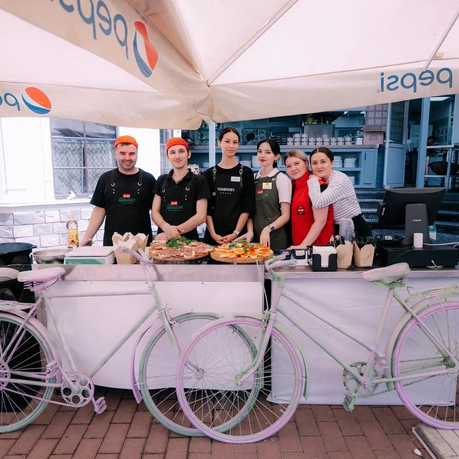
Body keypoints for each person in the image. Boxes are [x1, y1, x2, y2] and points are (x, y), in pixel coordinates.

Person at [81, 135, 156, 246]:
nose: (127, 158)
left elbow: (157, 211)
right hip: (112, 245)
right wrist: (87, 237)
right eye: (122, 153)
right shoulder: (105, 179)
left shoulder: (148, 179)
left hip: (142, 245)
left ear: (137, 154)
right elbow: (99, 211)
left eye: (131, 154)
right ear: (115, 154)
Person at [203, 127, 256, 245]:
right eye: (227, 141)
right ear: (219, 143)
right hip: (213, 238)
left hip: (238, 238)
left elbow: (247, 207)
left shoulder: (246, 173)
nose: (231, 146)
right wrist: (213, 234)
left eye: (235, 142)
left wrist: (235, 233)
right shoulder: (209, 174)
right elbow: (207, 209)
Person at [151, 138, 211, 241]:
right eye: (172, 152)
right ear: (167, 157)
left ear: (188, 154)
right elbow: (154, 212)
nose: (177, 156)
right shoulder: (162, 180)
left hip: (190, 242)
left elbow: (201, 216)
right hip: (162, 241)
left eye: (181, 151)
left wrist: (171, 233)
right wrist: (166, 228)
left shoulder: (199, 180)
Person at [308, 147, 372, 237]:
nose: (319, 166)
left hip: (354, 228)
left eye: (323, 162)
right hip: (337, 227)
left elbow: (318, 202)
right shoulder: (323, 180)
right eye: (314, 163)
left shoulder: (339, 180)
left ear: (332, 163)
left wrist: (312, 180)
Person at [245, 139, 291, 250]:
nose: (262, 155)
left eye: (268, 152)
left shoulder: (282, 179)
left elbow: (286, 215)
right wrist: (250, 231)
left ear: (276, 156)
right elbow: (249, 212)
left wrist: (268, 229)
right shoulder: (252, 178)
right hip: (255, 239)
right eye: (260, 151)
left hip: (275, 238)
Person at [284, 149, 334, 248]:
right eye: (288, 166)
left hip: (317, 248)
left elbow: (320, 221)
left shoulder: (317, 186)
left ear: (306, 163)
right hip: (298, 246)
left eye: (297, 163)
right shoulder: (291, 186)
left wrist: (303, 245)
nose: (293, 169)